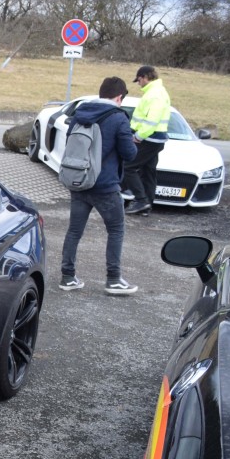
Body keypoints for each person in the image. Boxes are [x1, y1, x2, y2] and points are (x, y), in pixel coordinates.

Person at [59, 76, 139, 295]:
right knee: (116, 230)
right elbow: (129, 154)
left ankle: (67, 277)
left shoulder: (80, 114)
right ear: (119, 97)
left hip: (79, 182)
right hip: (105, 186)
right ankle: (113, 279)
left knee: (74, 231)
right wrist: (132, 141)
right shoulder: (118, 118)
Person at [122, 65, 171, 216]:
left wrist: (138, 136)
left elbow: (152, 120)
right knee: (148, 172)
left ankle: (141, 200)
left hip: (149, 138)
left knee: (128, 167)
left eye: (139, 80)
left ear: (145, 77)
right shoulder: (158, 92)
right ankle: (146, 205)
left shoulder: (155, 94)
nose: (138, 83)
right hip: (155, 139)